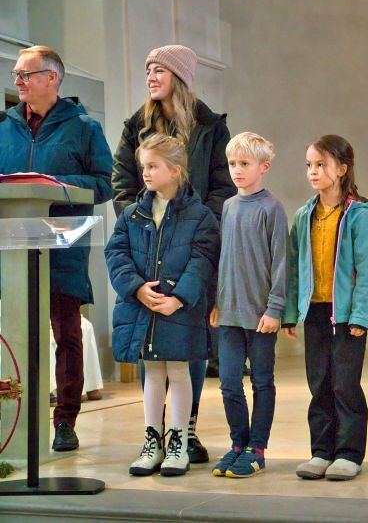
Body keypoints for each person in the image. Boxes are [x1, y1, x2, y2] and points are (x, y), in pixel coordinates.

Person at [112, 44, 236, 463]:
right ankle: (155, 436)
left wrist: (200, 224)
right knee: (151, 350)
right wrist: (137, 220)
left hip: (192, 241)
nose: (150, 76)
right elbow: (122, 179)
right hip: (148, 241)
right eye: (148, 69)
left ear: (179, 76)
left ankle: (186, 430)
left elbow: (224, 184)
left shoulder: (210, 126)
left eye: (159, 69)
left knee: (187, 340)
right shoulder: (136, 125)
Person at [0, 45, 112, 451]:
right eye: (15, 74)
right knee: (12, 335)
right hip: (11, 247)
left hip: (62, 246)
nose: (17, 81)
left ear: (52, 78)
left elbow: (104, 185)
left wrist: (54, 183)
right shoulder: (5, 127)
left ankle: (65, 420)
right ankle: (12, 417)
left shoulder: (84, 128)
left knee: (67, 335)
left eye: (25, 74)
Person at [105, 134, 220, 476]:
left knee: (179, 371)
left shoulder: (200, 216)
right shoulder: (132, 214)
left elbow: (202, 260)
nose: (145, 173)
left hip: (179, 310)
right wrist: (137, 288)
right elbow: (116, 254)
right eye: (144, 166)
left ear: (175, 170)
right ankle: (152, 442)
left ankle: (178, 443)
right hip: (144, 308)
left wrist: (179, 298)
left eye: (153, 166)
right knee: (153, 372)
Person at [283, 135, 368, 481]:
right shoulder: (303, 216)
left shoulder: (359, 216)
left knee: (345, 384)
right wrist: (291, 313)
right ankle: (321, 451)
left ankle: (349, 454)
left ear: (342, 169)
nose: (313, 171)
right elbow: (294, 268)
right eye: (309, 165)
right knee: (319, 383)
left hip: (347, 315)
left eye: (321, 164)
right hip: (315, 312)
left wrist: (361, 315)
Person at [209, 132, 288, 478]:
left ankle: (257, 448)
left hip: (260, 316)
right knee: (228, 382)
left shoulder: (272, 209)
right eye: (232, 163)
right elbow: (223, 257)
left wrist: (274, 309)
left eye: (245, 163)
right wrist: (217, 301)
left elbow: (281, 262)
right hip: (228, 313)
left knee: (261, 382)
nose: (237, 170)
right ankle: (237, 444)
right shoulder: (228, 207)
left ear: (263, 167)